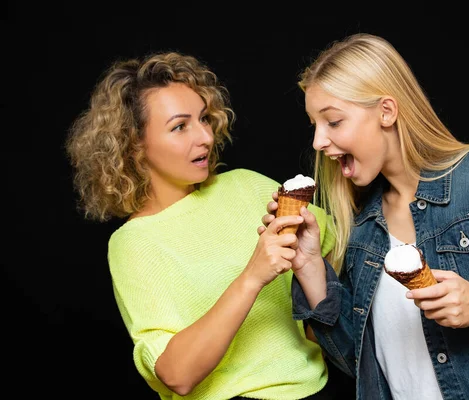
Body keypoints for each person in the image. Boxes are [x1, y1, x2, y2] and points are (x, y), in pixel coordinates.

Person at [260, 33, 469, 399]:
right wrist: (309, 264)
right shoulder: (361, 232)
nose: (318, 142)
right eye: (314, 125)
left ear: (386, 112)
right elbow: (359, 365)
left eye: (334, 122)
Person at [65, 51, 339, 400]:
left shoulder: (248, 185)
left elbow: (335, 274)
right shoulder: (134, 243)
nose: (206, 138)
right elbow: (177, 376)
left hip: (321, 389)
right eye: (180, 126)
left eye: (204, 119)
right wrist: (252, 276)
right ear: (134, 145)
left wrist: (312, 273)